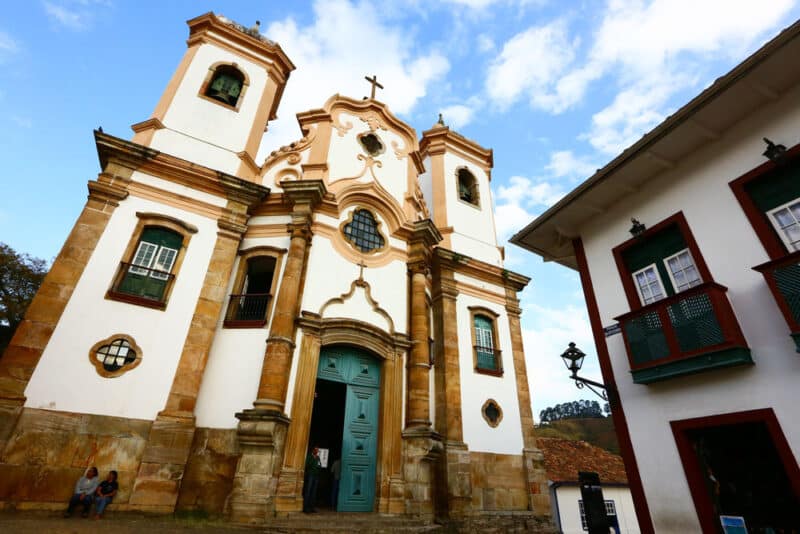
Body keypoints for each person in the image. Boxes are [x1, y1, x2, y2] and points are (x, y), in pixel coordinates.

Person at [303, 446, 322, 513]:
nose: (317, 452)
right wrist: (313, 464)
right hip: (310, 475)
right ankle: (305, 507)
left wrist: (318, 466)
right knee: (308, 491)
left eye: (317, 451)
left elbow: (320, 465)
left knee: (314, 492)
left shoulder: (318, 458)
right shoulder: (309, 457)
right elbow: (307, 465)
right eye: (316, 450)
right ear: (313, 450)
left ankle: (312, 507)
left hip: (316, 476)